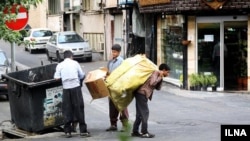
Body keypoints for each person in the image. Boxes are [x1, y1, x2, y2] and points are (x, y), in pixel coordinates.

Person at [54, 50, 90, 138]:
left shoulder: (60, 65)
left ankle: (67, 131)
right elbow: (81, 75)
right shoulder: (75, 63)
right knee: (79, 108)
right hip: (76, 88)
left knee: (67, 109)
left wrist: (64, 77)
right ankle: (83, 131)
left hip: (66, 89)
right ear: (71, 56)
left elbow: (56, 78)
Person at [131, 63, 170, 138]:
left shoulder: (159, 75)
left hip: (141, 93)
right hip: (142, 93)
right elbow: (152, 83)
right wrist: (159, 77)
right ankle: (144, 132)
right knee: (145, 112)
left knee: (139, 113)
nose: (168, 74)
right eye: (167, 72)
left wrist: (161, 78)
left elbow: (158, 88)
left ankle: (135, 131)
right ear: (163, 70)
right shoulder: (155, 72)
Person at [106, 44, 129, 132]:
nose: (113, 53)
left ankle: (125, 125)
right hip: (111, 87)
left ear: (119, 52)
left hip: (120, 87)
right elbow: (108, 73)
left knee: (122, 107)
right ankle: (113, 124)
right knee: (112, 107)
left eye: (115, 52)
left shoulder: (122, 62)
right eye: (112, 52)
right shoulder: (110, 62)